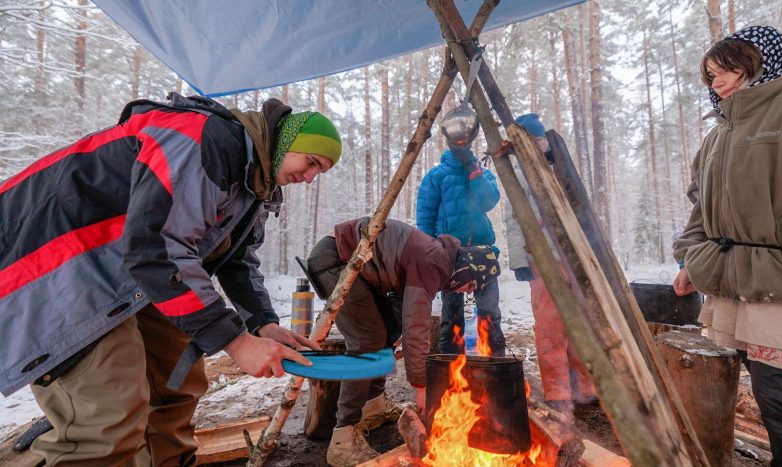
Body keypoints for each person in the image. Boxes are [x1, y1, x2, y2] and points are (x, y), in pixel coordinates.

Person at [0, 92, 342, 466]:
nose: (309, 178)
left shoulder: (255, 183)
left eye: (319, 172)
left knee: (178, 381)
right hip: (57, 260)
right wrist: (236, 341)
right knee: (108, 415)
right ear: (286, 143)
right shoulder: (203, 143)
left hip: (130, 273)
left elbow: (237, 258)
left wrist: (262, 323)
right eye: (311, 163)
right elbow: (156, 248)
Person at [672, 26, 782, 466]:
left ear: (761, 61)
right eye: (710, 74)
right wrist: (690, 259)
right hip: (733, 283)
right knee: (768, 399)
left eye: (727, 68)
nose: (716, 80)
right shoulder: (719, 132)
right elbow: (701, 208)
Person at [303, 217, 499, 467]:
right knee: (367, 342)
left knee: (386, 329)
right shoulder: (434, 262)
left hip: (357, 266)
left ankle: (373, 403)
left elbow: (402, 313)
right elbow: (416, 327)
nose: (466, 292)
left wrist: (395, 331)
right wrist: (421, 387)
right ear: (465, 268)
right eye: (470, 284)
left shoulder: (438, 259)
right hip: (337, 260)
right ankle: (343, 438)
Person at [505, 113, 596, 423]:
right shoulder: (517, 173)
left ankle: (585, 388)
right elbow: (513, 218)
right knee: (550, 327)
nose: (540, 143)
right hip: (542, 258)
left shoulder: (560, 164)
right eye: (534, 139)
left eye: (541, 138)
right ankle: (558, 395)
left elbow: (581, 207)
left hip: (573, 256)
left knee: (582, 322)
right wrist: (519, 260)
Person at [415, 116, 505, 357]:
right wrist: (433, 256)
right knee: (451, 315)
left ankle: (496, 365)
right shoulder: (435, 177)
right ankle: (450, 366)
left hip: (483, 251)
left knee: (489, 311)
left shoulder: (482, 173)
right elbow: (425, 219)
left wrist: (473, 170)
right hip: (450, 255)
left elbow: (488, 201)